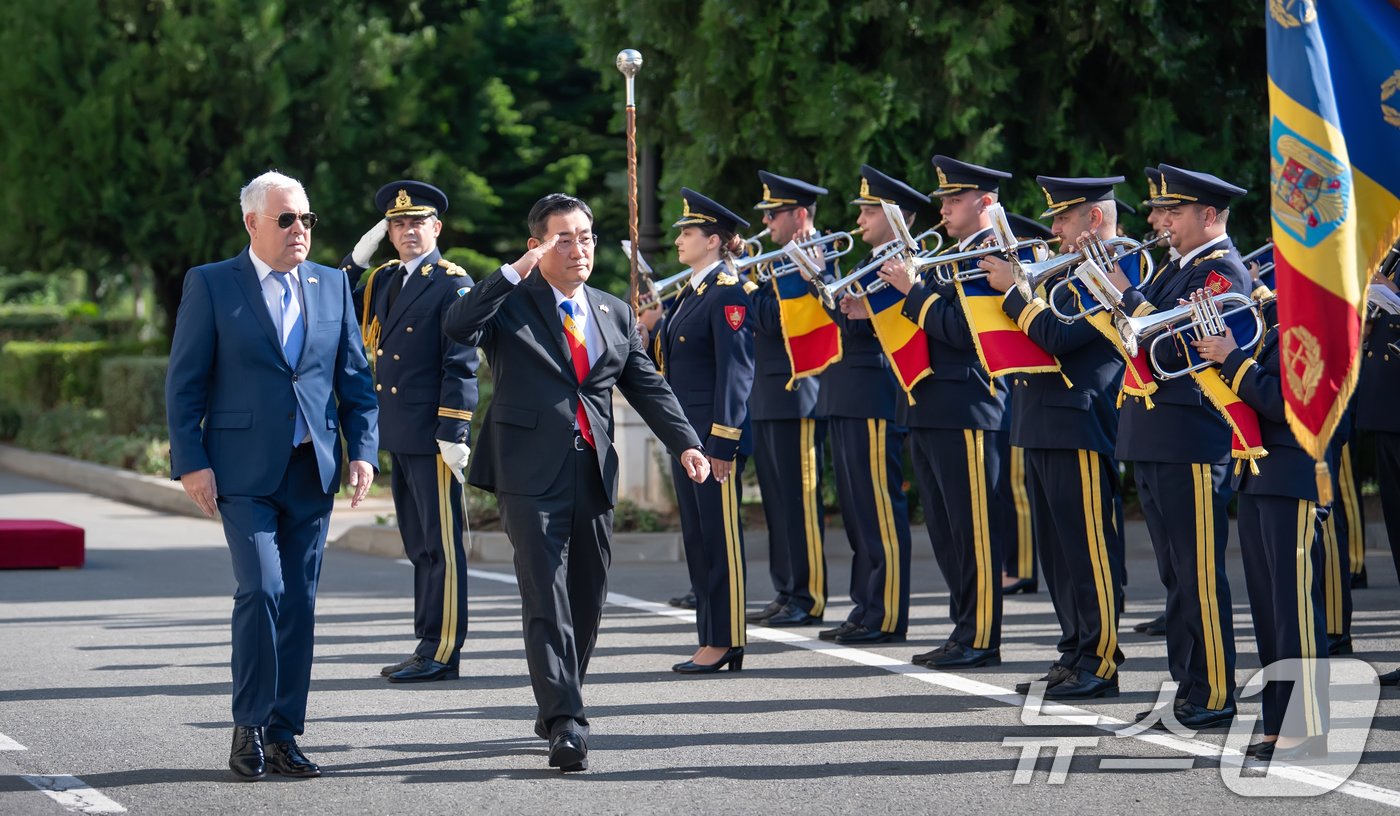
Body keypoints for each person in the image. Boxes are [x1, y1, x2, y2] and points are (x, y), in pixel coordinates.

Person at [442, 193, 708, 772]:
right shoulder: (512, 304)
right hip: (527, 473)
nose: (579, 247)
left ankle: (558, 698)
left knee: (587, 597)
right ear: (537, 244)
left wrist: (686, 441)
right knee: (546, 593)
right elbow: (458, 326)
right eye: (564, 238)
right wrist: (514, 270)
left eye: (585, 236)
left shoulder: (612, 312)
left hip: (591, 470)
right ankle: (567, 719)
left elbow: (648, 385)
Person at [166, 170, 379, 780]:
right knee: (262, 590)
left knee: (300, 605)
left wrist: (363, 451)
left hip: (309, 470)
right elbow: (184, 383)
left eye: (306, 219)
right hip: (239, 471)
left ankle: (285, 734)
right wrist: (192, 462)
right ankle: (248, 726)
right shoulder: (210, 285)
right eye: (286, 219)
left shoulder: (333, 286)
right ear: (252, 223)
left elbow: (356, 386)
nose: (299, 230)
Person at [1104, 164, 1251, 729]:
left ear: (1209, 216)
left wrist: (1126, 295)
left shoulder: (1220, 275)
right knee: (1173, 573)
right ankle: (1188, 686)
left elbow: (1175, 347)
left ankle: (1213, 690)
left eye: (1172, 211)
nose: (1159, 221)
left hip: (1191, 439)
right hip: (1157, 434)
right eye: (1159, 211)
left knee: (1198, 572)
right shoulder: (1177, 269)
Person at [976, 176, 1128, 698]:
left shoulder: (1116, 269)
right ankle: (1075, 650)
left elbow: (1061, 336)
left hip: (1080, 420)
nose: (1054, 229)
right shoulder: (1067, 269)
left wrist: (1016, 294)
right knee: (1059, 552)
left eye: (1063, 218)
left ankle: (1101, 657)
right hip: (1043, 417)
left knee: (1088, 547)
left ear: (1094, 219)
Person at [870, 155, 1015, 670]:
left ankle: (981, 637)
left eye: (955, 200)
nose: (945, 209)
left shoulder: (994, 255)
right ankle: (963, 629)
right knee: (947, 529)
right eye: (945, 200)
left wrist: (914, 291)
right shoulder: (953, 256)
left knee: (974, 529)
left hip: (969, 406)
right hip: (929, 404)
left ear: (986, 204)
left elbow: (965, 335)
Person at [338, 180, 479, 683]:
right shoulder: (383, 280)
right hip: (398, 431)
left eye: (417, 222)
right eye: (398, 225)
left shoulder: (453, 283)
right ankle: (427, 643)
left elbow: (460, 362)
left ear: (436, 228)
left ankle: (443, 649)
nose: (408, 231)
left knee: (442, 546)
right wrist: (355, 261)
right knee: (418, 544)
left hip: (433, 434)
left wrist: (455, 430)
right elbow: (335, 302)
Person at [1195, 290, 1329, 762]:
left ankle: (1307, 727)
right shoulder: (1279, 325)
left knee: (1294, 611)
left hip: (1291, 476)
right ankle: (1279, 724)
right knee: (1270, 612)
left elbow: (1285, 402)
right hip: (1257, 474)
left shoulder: (1321, 325)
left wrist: (1232, 360)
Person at [657, 188, 757, 673]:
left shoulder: (727, 295)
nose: (680, 239)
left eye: (688, 232)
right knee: (699, 538)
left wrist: (722, 442)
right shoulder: (690, 294)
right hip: (687, 437)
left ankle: (727, 638)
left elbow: (735, 374)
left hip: (710, 439)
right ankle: (710, 636)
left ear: (714, 241)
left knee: (720, 540)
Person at [817, 165, 916, 646]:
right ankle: (866, 605)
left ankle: (887, 611)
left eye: (867, 210)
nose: (858, 219)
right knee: (858, 511)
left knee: (878, 507)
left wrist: (832, 290)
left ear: (892, 215)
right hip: (847, 394)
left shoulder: (901, 263)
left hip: (874, 395)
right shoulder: (872, 261)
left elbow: (868, 330)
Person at [743, 170, 830, 628]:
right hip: (768, 393)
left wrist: (750, 288)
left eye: (774, 214)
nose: (768, 223)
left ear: (799, 215)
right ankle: (786, 588)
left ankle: (809, 593)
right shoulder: (777, 259)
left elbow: (776, 321)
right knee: (776, 501)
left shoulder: (816, 258)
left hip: (799, 394)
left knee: (800, 498)